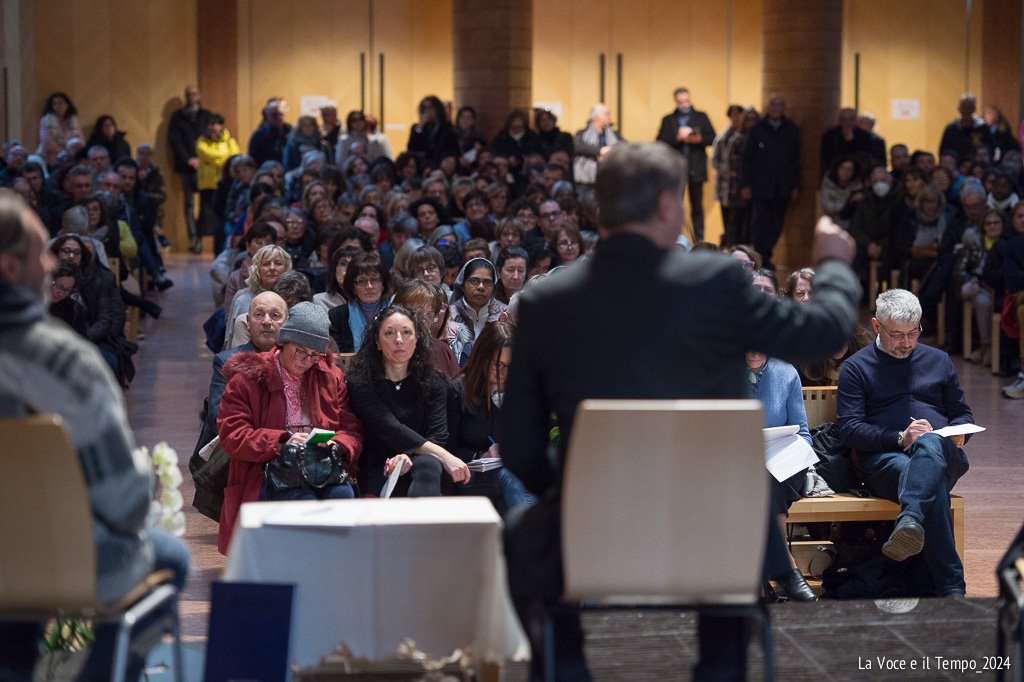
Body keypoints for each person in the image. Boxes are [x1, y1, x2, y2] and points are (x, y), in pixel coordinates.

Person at [500, 142, 860, 681]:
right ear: (670, 205)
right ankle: (721, 666)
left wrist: (580, 492)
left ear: (601, 208)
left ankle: (565, 665)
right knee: (743, 516)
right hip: (718, 532)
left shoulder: (547, 303)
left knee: (522, 534)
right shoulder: (716, 284)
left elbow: (522, 446)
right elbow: (824, 333)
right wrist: (832, 264)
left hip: (594, 529)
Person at [0, 190, 189, 680]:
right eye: (41, 253)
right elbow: (124, 500)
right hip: (59, 565)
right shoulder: (62, 362)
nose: (50, 266)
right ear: (10, 268)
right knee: (170, 555)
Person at [837, 289, 973, 598]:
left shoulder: (938, 360)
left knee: (930, 446)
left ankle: (910, 517)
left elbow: (962, 414)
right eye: (897, 335)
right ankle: (951, 589)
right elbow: (850, 430)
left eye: (914, 333)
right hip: (886, 459)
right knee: (931, 485)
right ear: (876, 326)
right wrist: (900, 437)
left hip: (944, 452)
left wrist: (958, 432)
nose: (907, 343)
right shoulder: (857, 368)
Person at [217, 302, 363, 553]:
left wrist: (337, 444)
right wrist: (282, 441)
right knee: (300, 504)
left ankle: (333, 571)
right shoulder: (249, 378)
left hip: (320, 465)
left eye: (315, 355)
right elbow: (232, 435)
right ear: (283, 343)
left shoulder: (329, 375)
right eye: (300, 351)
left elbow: (350, 428)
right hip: (270, 468)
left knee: (343, 499)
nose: (307, 361)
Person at [346, 305, 470, 497]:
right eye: (389, 333)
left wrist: (410, 455)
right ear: (377, 342)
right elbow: (390, 428)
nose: (399, 340)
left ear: (416, 339)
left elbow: (438, 435)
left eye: (406, 333)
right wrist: (446, 457)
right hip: (378, 463)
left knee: (429, 465)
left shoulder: (433, 380)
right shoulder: (360, 381)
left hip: (424, 462)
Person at [447, 321, 535, 516]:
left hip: (512, 477)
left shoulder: (521, 392)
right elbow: (447, 448)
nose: (505, 374)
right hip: (470, 477)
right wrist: (480, 456)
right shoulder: (456, 391)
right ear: (482, 360)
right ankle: (537, 537)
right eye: (499, 366)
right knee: (509, 478)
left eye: (511, 367)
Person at [739, 94, 801, 270]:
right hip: (760, 186)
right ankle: (762, 256)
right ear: (767, 108)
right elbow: (747, 159)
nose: (776, 108)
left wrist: (796, 185)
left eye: (780, 104)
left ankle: (765, 254)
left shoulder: (791, 129)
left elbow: (795, 160)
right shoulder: (757, 129)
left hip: (783, 185)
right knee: (759, 222)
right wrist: (745, 184)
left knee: (777, 223)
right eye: (773, 104)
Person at [656, 87, 716, 242]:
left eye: (686, 100)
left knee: (697, 206)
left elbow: (712, 138)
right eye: (680, 101)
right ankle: (675, 240)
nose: (684, 104)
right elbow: (660, 141)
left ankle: (699, 241)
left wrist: (697, 138)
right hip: (676, 169)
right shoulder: (668, 119)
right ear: (676, 101)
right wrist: (678, 137)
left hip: (696, 167)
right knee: (675, 205)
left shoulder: (701, 117)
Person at [167, 85, 212, 253]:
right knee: (189, 203)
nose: (191, 97)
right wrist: (188, 159)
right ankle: (193, 238)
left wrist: (202, 158)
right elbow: (175, 140)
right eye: (188, 94)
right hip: (186, 166)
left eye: (194, 94)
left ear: (199, 95)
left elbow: (211, 138)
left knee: (206, 204)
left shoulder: (206, 115)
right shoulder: (178, 116)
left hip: (206, 166)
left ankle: (202, 236)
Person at [448, 257, 507, 365]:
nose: (481, 287)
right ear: (462, 285)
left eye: (487, 282)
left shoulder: (505, 314)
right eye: (474, 281)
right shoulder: (449, 314)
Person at [327, 251, 389, 352]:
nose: (369, 286)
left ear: (383, 284)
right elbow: (338, 358)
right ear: (353, 288)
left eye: (374, 279)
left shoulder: (397, 312)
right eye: (362, 281)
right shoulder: (337, 316)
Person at [196, 114, 240, 254]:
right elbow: (206, 154)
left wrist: (216, 159)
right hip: (207, 185)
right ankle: (200, 244)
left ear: (221, 125)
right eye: (210, 124)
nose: (212, 127)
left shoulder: (230, 142)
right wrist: (223, 158)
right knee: (206, 217)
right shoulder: (201, 141)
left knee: (225, 217)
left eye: (215, 124)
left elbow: (234, 158)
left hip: (225, 186)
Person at [573, 103, 624, 189]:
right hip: (587, 183)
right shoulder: (582, 134)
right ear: (597, 117)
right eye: (607, 114)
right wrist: (600, 151)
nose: (609, 117)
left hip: (610, 179)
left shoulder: (614, 134)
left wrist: (608, 153)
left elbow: (624, 146)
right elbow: (578, 147)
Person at [939, 93, 992, 164]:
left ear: (974, 109)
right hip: (957, 166)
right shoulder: (951, 129)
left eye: (970, 107)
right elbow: (944, 150)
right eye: (964, 106)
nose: (966, 110)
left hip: (977, 166)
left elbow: (990, 147)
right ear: (959, 108)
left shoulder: (982, 128)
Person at [248, 98, 293, 165]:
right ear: (267, 116)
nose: (279, 118)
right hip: (266, 170)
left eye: (281, 114)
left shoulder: (291, 131)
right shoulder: (259, 135)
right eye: (274, 115)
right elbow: (253, 159)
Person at [37, 91, 82, 157]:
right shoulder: (45, 120)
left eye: (60, 103)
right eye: (54, 104)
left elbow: (80, 139)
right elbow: (46, 141)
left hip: (73, 155)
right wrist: (63, 152)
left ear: (67, 105)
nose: (57, 106)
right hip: (52, 155)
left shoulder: (73, 120)